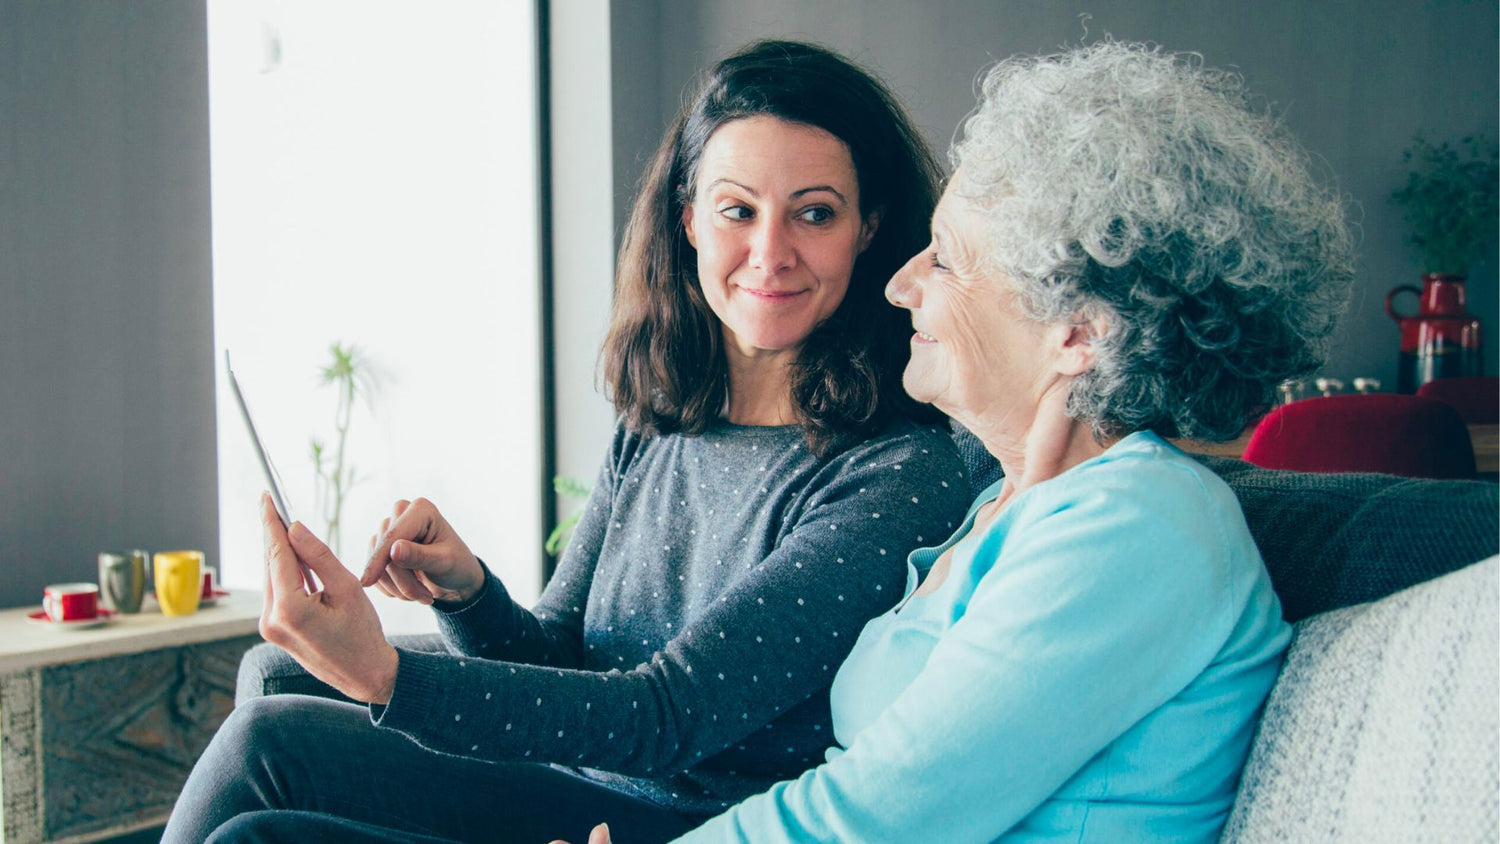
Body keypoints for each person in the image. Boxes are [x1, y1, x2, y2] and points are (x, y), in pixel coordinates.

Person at [160, 40, 972, 844]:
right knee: (272, 679)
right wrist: (467, 592)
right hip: (575, 781)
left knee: (263, 758)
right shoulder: (659, 422)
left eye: (815, 213)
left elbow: (666, 716)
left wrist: (385, 675)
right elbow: (560, 656)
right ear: (688, 219)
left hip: (685, 816)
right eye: (738, 210)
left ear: (870, 228)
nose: (770, 251)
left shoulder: (894, 471)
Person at [568, 40, 1355, 843]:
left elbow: (881, 814)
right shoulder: (1000, 505)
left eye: (947, 262)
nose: (901, 283)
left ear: (1077, 332)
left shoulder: (1140, 526)